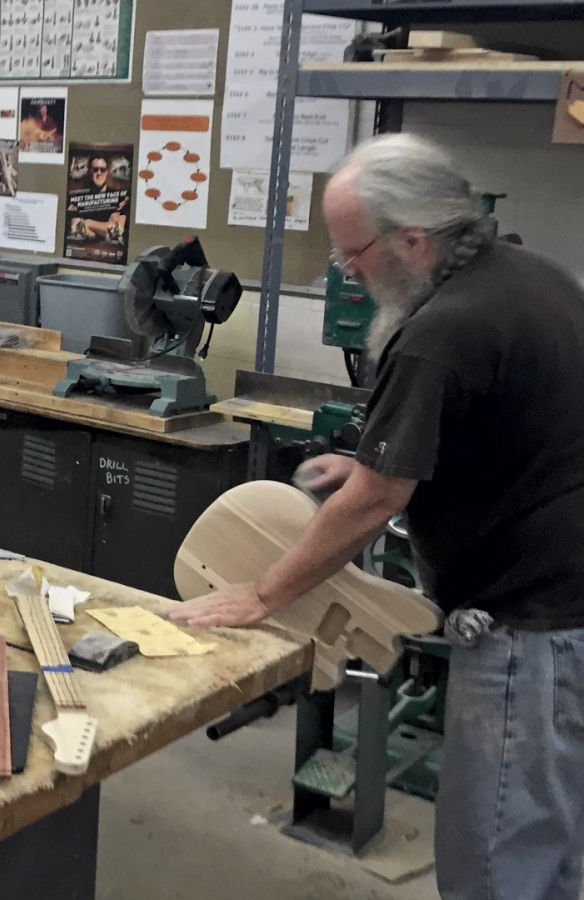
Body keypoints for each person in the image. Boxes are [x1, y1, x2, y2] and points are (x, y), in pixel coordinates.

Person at [165, 133, 584, 900]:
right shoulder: (533, 277)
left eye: (351, 249)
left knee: (496, 863)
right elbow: (509, 433)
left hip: (532, 626)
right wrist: (374, 462)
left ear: (412, 240)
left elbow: (377, 501)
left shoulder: (442, 331)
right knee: (553, 846)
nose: (346, 268)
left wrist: (263, 595)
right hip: (567, 615)